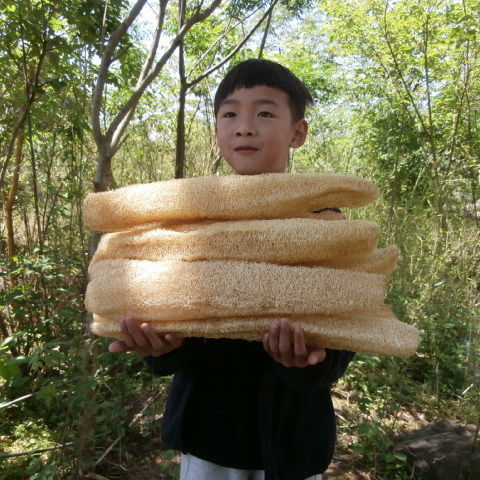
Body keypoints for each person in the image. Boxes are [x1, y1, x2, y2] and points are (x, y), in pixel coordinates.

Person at [108, 59, 355, 480]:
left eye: (264, 112)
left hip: (292, 441)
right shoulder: (185, 222)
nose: (244, 126)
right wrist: (161, 346)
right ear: (218, 130)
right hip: (208, 439)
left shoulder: (325, 225)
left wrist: (308, 362)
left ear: (298, 132)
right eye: (230, 113)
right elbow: (173, 323)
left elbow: (345, 336)